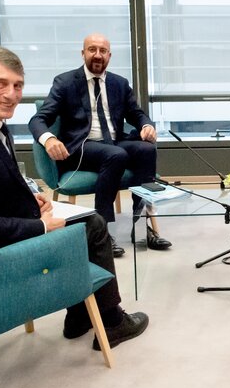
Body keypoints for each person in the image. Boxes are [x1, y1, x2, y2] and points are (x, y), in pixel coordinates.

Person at [0, 44, 148, 350]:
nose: (11, 94)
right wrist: (40, 227)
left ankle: (80, 315)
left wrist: (30, 200)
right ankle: (111, 321)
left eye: (17, 85)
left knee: (90, 212)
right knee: (94, 226)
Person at [29, 33, 171, 257]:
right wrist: (50, 139)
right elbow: (38, 119)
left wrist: (147, 125)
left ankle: (142, 226)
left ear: (109, 55)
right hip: (80, 147)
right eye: (92, 49)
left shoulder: (119, 84)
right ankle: (103, 232)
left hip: (114, 143)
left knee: (145, 149)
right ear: (83, 53)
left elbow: (137, 114)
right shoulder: (65, 82)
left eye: (102, 51)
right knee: (115, 155)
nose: (97, 55)